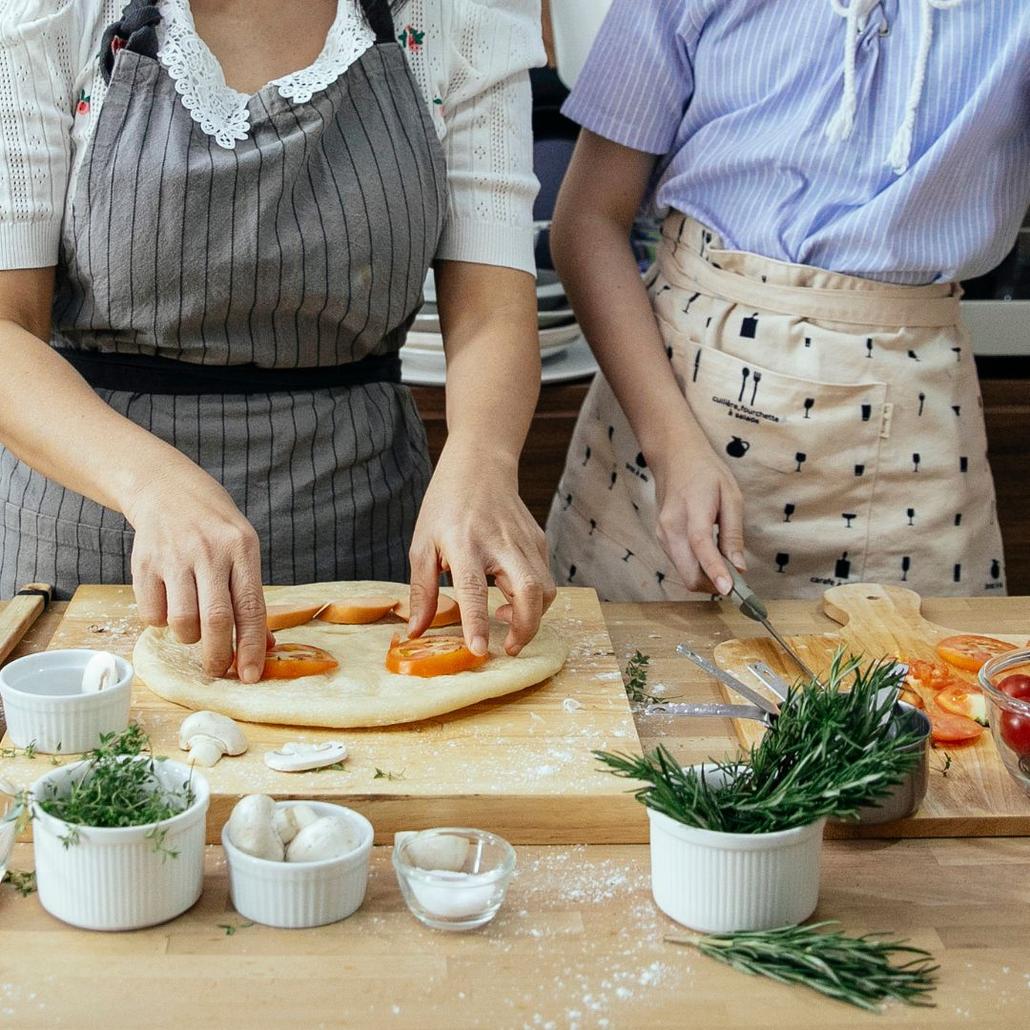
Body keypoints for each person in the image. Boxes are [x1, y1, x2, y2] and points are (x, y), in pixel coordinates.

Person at [0, 0, 555, 682]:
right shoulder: (50, 17)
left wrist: (485, 458)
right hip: (96, 538)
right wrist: (150, 483)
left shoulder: (456, 17)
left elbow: (491, 311)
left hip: (358, 529)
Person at [545, 0, 1029, 602]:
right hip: (669, 412)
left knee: (926, 691)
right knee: (627, 686)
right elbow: (588, 220)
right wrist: (671, 447)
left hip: (916, 432)